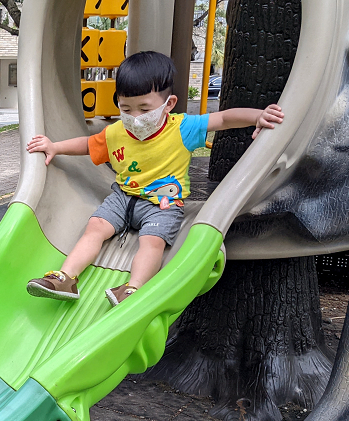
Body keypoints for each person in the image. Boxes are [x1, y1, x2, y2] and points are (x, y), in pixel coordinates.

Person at [25, 51, 284, 305]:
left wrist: (257, 116)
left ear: (168, 104)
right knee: (94, 228)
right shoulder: (116, 132)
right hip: (123, 197)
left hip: (163, 205)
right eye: (126, 108)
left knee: (152, 241)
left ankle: (134, 288)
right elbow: (87, 144)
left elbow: (224, 118)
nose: (135, 117)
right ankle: (65, 277)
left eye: (144, 108)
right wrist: (55, 147)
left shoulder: (182, 128)